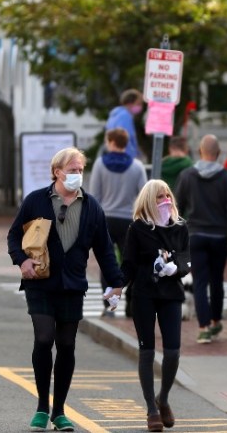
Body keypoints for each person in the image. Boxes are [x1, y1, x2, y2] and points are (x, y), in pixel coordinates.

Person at [7, 147, 124, 432]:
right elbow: (13, 235)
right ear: (57, 172)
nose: (77, 175)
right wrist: (21, 261)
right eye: (72, 170)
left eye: (80, 170)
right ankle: (41, 407)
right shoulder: (36, 201)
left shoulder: (92, 206)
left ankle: (59, 411)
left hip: (72, 285)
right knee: (45, 338)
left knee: (67, 345)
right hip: (41, 283)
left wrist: (116, 282)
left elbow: (104, 249)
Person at [121, 179, 191, 432]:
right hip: (144, 294)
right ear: (149, 201)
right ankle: (151, 408)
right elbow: (128, 263)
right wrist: (116, 286)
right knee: (147, 350)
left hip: (171, 293)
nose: (165, 200)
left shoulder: (180, 228)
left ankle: (164, 397)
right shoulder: (138, 229)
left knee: (173, 351)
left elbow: (185, 259)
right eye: (160, 197)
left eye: (167, 195)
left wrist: (177, 268)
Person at [174, 134, 227, 344]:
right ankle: (215, 321)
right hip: (219, 236)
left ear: (199, 152)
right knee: (217, 281)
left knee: (201, 282)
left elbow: (176, 207)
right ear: (218, 153)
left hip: (195, 235)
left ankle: (203, 328)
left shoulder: (187, 176)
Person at [89, 127, 147, 317]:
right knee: (131, 262)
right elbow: (144, 196)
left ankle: (109, 306)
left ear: (111, 142)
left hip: (105, 219)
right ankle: (131, 301)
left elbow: (94, 195)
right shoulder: (137, 166)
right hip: (129, 221)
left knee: (107, 263)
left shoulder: (99, 164)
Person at [105, 88, 144, 160]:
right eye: (138, 103)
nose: (140, 107)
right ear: (130, 103)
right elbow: (125, 139)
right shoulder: (125, 116)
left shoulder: (115, 115)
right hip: (125, 158)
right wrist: (133, 157)